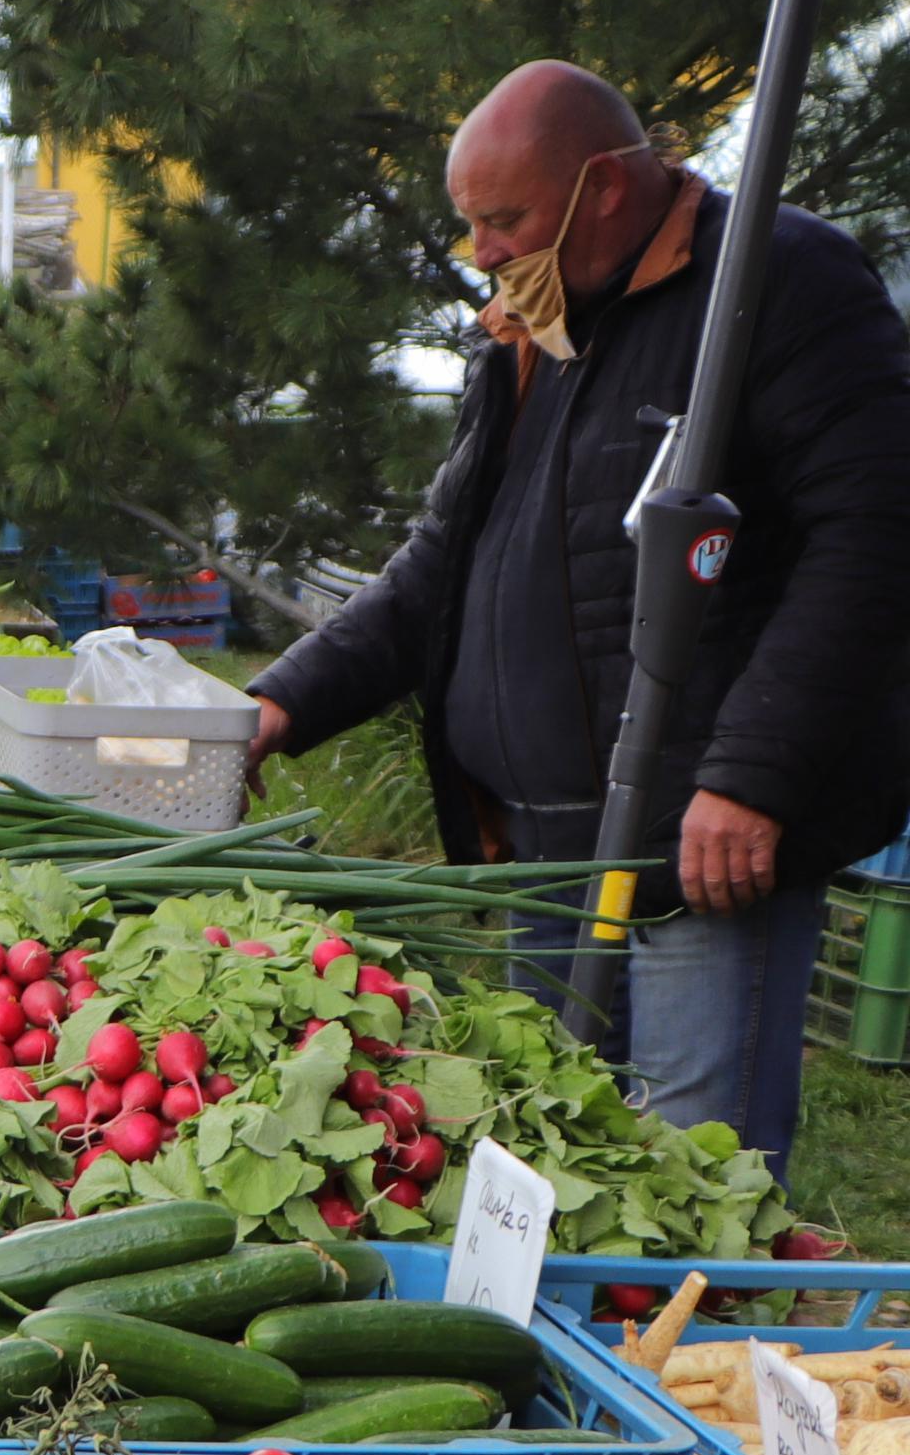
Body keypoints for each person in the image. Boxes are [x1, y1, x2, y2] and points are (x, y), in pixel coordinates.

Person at [246, 60, 910, 1163]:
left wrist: (750, 776)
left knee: (694, 1171)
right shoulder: (530, 328)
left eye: (503, 220)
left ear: (603, 184)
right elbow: (443, 566)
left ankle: (702, 1332)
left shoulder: (774, 277)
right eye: (472, 225)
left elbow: (874, 537)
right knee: (558, 1161)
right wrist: (282, 700)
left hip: (693, 848)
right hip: (547, 845)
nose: (483, 254)